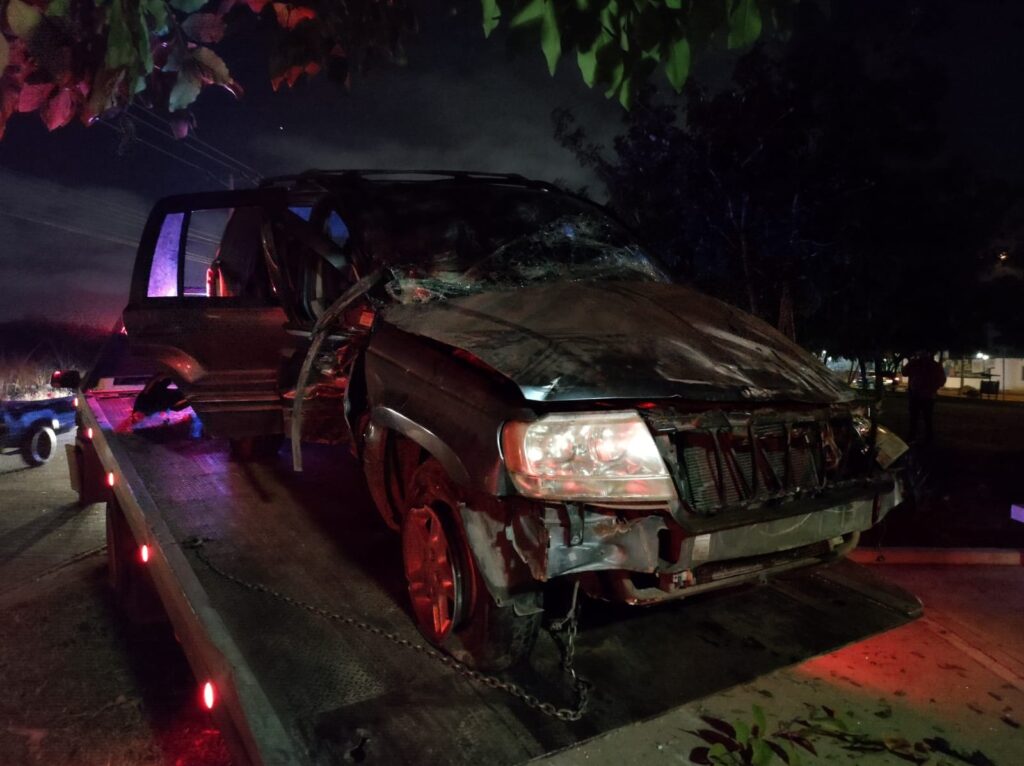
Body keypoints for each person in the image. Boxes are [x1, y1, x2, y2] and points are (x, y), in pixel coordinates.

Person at [901, 351, 947, 443]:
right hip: (928, 395)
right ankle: (928, 437)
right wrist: (934, 388)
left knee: (914, 418)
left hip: (916, 394)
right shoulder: (935, 365)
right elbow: (942, 380)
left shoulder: (915, 363)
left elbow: (904, 372)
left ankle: (913, 436)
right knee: (927, 418)